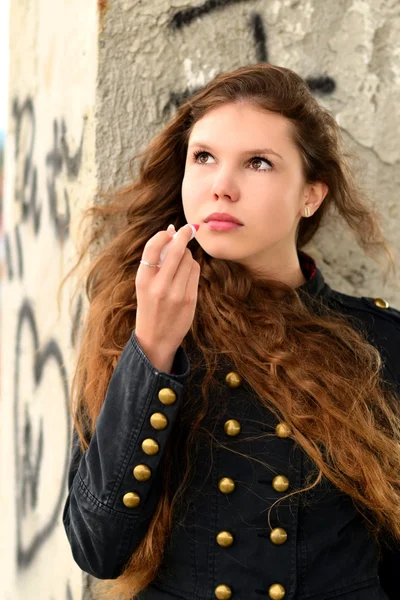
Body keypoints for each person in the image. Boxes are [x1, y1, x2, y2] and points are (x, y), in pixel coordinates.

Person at [62, 63, 400, 600]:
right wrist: (152, 350)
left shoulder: (380, 344)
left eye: (258, 163)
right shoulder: (129, 323)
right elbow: (97, 548)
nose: (222, 186)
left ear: (310, 196)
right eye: (204, 158)